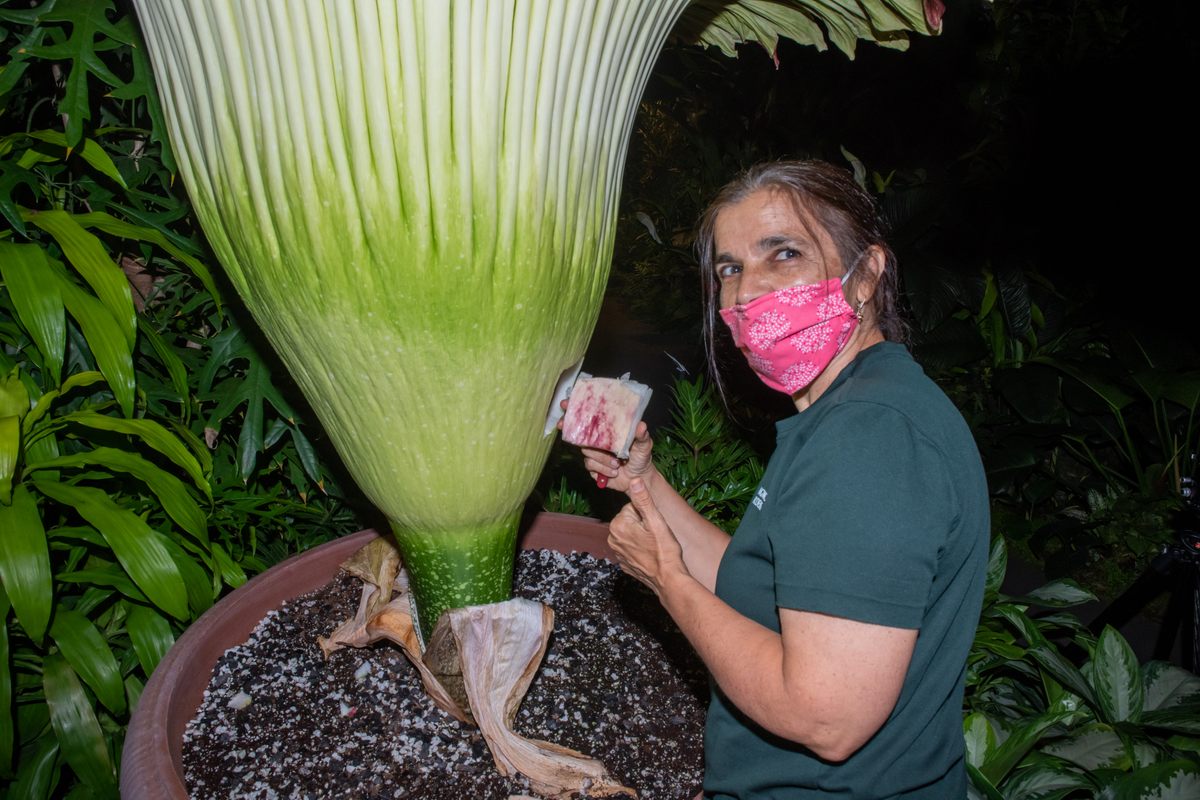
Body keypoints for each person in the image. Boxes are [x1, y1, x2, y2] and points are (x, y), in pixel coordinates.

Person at [572, 160, 989, 798]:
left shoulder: (870, 439)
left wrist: (666, 580)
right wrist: (644, 480)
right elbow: (756, 581)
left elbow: (824, 717)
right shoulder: (852, 409)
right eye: (730, 268)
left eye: (784, 254)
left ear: (867, 275)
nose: (744, 295)